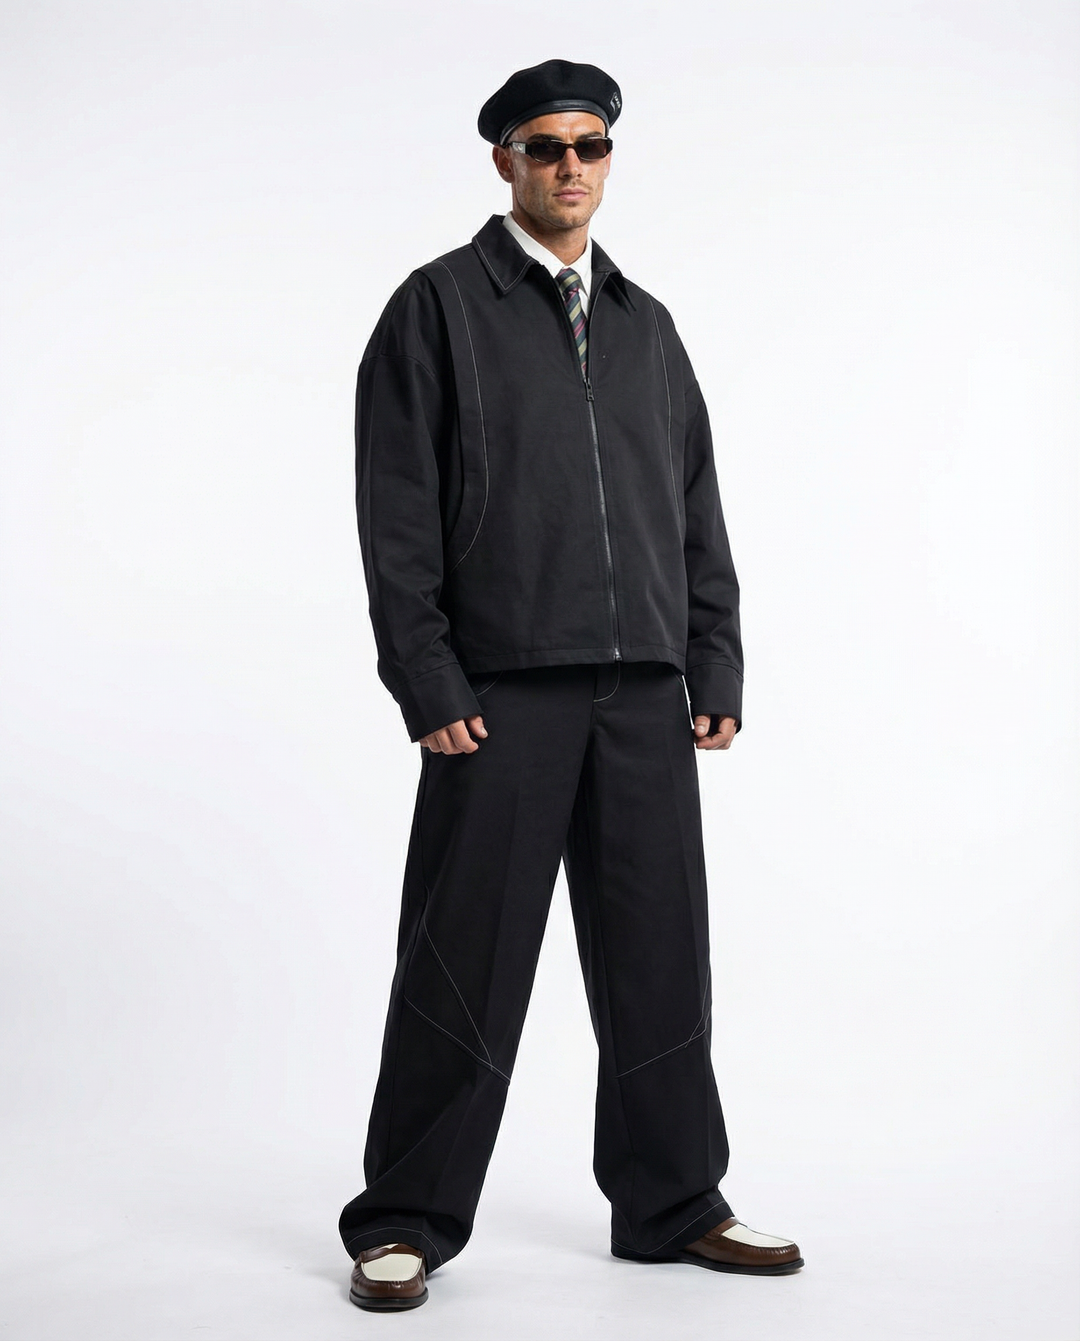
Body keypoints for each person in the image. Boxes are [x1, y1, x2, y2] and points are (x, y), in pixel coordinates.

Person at [340, 58, 804, 1313]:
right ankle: (403, 1219)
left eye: (589, 145)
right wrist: (426, 675)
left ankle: (673, 1204)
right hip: (501, 692)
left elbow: (695, 506)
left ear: (609, 157)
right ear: (504, 159)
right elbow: (395, 513)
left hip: (645, 687)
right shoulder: (439, 307)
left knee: (661, 959)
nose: (569, 166)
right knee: (464, 959)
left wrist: (713, 656)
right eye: (544, 146)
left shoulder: (648, 324)